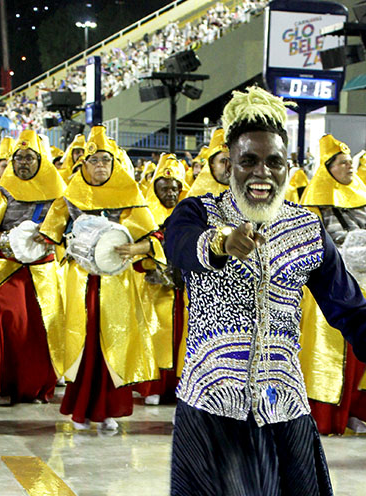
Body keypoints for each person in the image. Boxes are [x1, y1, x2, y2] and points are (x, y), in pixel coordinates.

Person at [164, 86, 366, 495]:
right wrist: (222, 243)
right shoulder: (198, 213)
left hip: (283, 405)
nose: (262, 173)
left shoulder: (306, 228)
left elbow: (349, 306)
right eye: (249, 161)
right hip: (213, 407)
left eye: (274, 162)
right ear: (228, 166)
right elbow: (179, 248)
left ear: (288, 167)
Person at [39, 126, 163, 433]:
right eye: (94, 161)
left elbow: (157, 236)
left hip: (117, 283)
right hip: (79, 281)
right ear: (84, 164)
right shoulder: (69, 196)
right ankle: (81, 411)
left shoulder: (129, 195)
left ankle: (108, 411)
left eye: (106, 161)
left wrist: (136, 247)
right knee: (83, 341)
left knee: (113, 342)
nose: (100, 167)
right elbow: (50, 234)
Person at [299, 134, 366, 435]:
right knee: (324, 353)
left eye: (349, 162)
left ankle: (356, 412)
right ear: (328, 168)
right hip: (324, 288)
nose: (348, 167)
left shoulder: (365, 200)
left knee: (363, 348)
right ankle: (325, 415)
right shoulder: (313, 204)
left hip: (363, 283)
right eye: (342, 163)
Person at [0, 130, 66, 405]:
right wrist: (7, 238)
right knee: (5, 315)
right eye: (19, 158)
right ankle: (4, 383)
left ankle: (37, 387)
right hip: (9, 267)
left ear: (40, 160)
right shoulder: (0, 190)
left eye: (29, 158)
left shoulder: (60, 193)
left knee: (43, 326)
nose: (23, 163)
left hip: (44, 269)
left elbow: (69, 228)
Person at [134, 153, 189, 404]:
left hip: (183, 286)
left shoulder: (189, 213)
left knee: (183, 334)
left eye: (175, 188)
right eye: (164, 187)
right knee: (155, 332)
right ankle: (154, 386)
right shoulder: (143, 212)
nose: (170, 192)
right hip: (154, 284)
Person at [186, 128, 229, 197]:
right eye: (223, 161)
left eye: (233, 161)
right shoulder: (195, 200)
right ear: (212, 164)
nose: (229, 166)